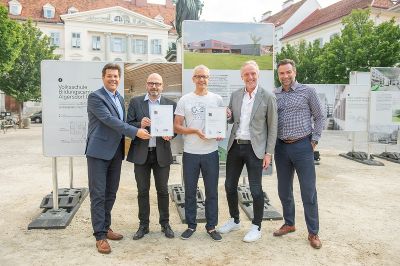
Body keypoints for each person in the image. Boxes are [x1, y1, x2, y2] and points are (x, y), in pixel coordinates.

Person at [85, 63, 151, 254]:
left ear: (119, 79)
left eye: (116, 76)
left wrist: (139, 124)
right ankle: (100, 236)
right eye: (109, 76)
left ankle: (106, 227)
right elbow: (109, 121)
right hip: (98, 153)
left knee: (111, 193)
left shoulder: (119, 98)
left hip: (115, 152)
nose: (113, 79)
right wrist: (135, 131)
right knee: (98, 195)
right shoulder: (95, 97)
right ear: (103, 77)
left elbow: (122, 122)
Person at [217, 60, 278, 242]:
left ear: (258, 75)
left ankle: (256, 226)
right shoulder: (236, 95)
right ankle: (235, 220)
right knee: (229, 186)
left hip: (255, 148)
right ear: (242, 76)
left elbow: (273, 127)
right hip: (235, 145)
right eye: (246, 74)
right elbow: (231, 119)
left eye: (253, 74)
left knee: (256, 189)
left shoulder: (268, 97)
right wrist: (227, 116)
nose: (250, 77)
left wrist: (269, 153)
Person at [273, 59, 325, 249]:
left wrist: (314, 140)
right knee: (284, 189)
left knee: (308, 191)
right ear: (278, 75)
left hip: (303, 146)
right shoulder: (275, 94)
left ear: (294, 72)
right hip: (281, 148)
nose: (285, 76)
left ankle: (313, 232)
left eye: (288, 72)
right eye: (281, 73)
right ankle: (289, 223)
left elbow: (319, 116)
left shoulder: (307, 91)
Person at [174, 65, 224, 241]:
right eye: (199, 76)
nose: (202, 79)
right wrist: (194, 131)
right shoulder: (185, 100)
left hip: (211, 152)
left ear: (208, 78)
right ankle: (191, 225)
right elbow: (177, 125)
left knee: (211, 191)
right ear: (193, 79)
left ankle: (211, 226)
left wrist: (219, 133)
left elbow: (221, 122)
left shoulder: (217, 99)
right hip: (191, 153)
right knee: (190, 191)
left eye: (205, 76)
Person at [126, 73, 176, 240]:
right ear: (146, 85)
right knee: (142, 191)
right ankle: (143, 225)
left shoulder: (170, 104)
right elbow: (127, 124)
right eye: (151, 83)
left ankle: (165, 223)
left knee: (162, 190)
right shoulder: (136, 102)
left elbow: (175, 128)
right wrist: (140, 124)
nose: (154, 87)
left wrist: (171, 135)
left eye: (157, 84)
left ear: (162, 86)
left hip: (161, 154)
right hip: (141, 154)